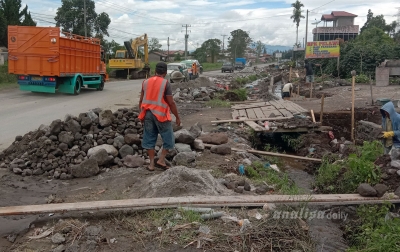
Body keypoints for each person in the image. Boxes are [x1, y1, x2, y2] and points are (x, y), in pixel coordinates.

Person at [138, 62, 181, 171]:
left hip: (148, 114)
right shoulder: (165, 83)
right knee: (169, 138)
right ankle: (161, 160)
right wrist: (177, 117)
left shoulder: (145, 82)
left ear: (155, 71)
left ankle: (151, 164)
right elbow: (171, 102)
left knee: (149, 138)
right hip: (161, 115)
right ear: (165, 72)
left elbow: (141, 100)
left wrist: (141, 115)